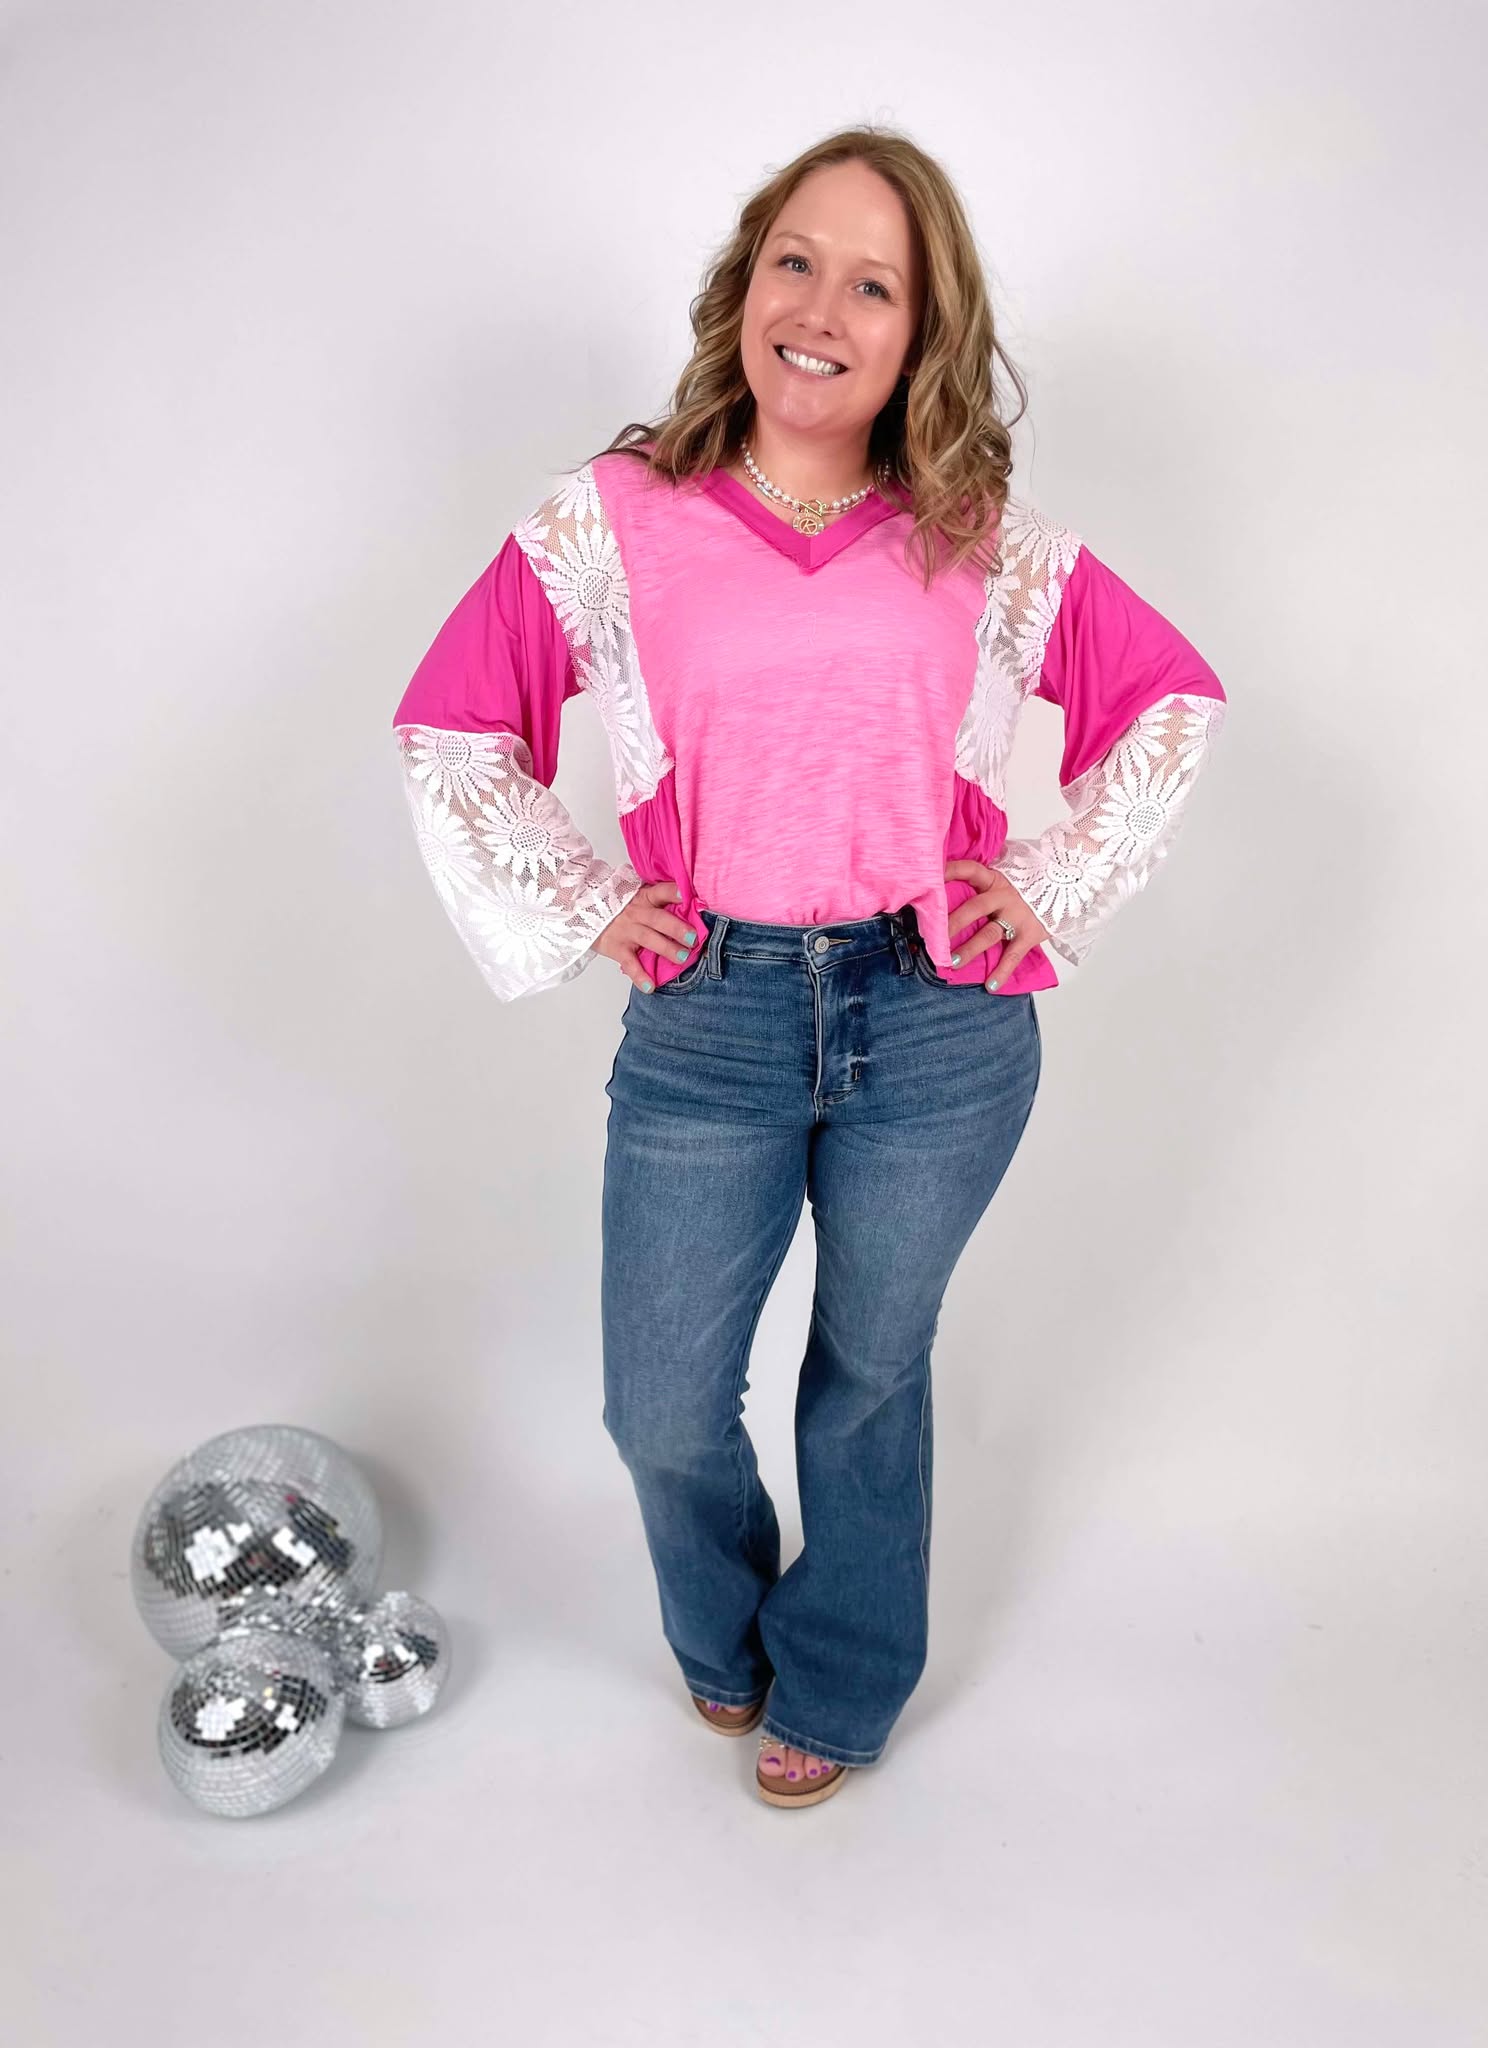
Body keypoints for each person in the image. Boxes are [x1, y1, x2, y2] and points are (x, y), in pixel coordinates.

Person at [392, 125, 1227, 1810]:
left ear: (920, 335)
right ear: (744, 282)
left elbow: (1172, 699)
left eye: (874, 286)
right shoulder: (613, 517)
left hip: (939, 1023)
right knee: (662, 1407)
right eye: (797, 261)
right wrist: (585, 903)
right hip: (711, 1017)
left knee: (868, 1374)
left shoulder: (981, 536)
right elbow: (452, 723)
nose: (823, 311)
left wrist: (1046, 884)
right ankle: (723, 1627)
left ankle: (841, 1676)